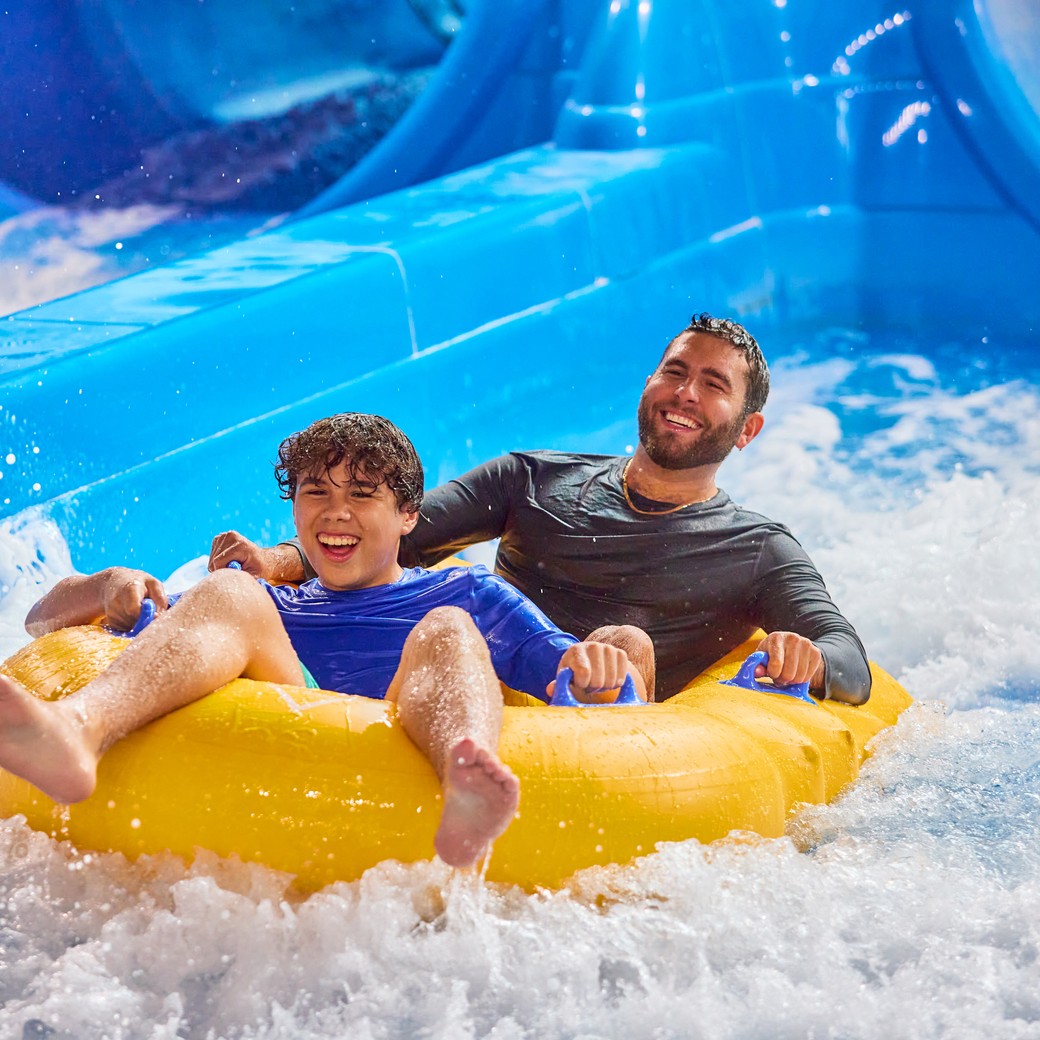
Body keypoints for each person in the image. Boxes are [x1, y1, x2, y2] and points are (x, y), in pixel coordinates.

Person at [1, 414, 648, 870]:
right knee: (229, 591)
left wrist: (595, 664)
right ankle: (77, 732)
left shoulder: (467, 593)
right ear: (295, 510)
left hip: (415, 729)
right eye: (316, 492)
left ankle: (465, 780)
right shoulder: (268, 604)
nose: (336, 512)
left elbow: (577, 683)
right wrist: (105, 584)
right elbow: (40, 620)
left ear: (408, 516)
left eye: (362, 495)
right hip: (296, 742)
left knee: (448, 629)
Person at [211, 314, 872, 705]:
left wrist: (810, 660)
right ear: (649, 383)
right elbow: (395, 532)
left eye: (712, 384)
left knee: (625, 642)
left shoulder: (756, 549)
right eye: (674, 371)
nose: (685, 393)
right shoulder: (531, 479)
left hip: (604, 720)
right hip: (485, 692)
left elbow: (849, 658)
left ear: (748, 429)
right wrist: (277, 560)